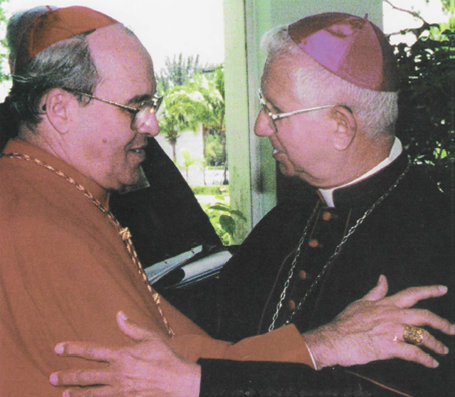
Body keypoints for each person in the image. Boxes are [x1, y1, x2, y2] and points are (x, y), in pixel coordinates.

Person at [0, 6, 452, 397]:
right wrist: (322, 343)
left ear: (340, 126)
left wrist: (203, 384)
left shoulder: (435, 237)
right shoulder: (285, 222)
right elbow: (198, 339)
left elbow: (416, 362)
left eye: (274, 111)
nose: (258, 126)